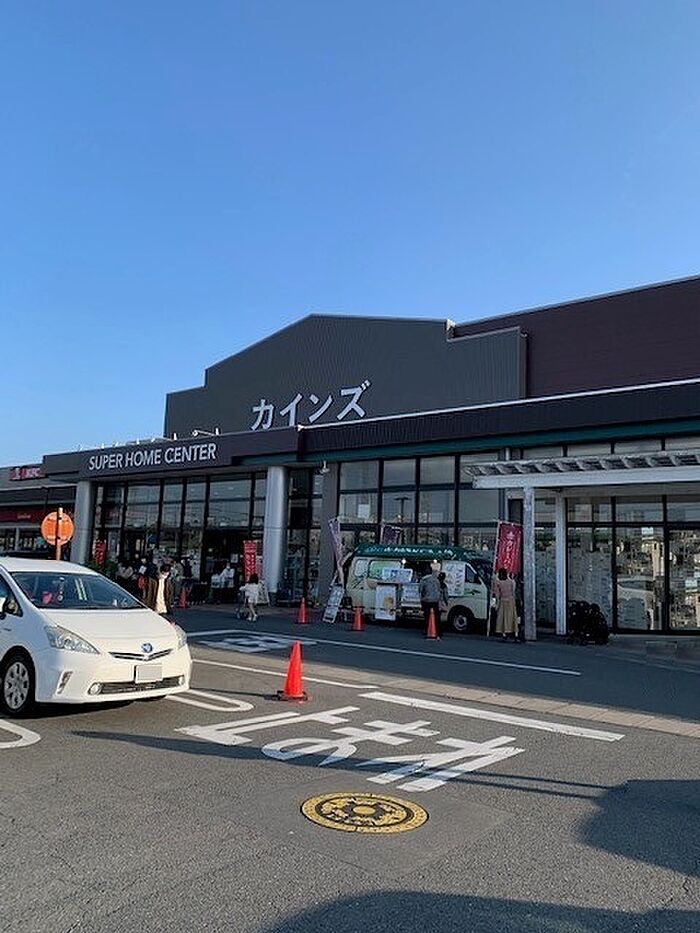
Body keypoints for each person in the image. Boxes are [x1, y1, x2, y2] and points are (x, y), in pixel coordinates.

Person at [493, 567, 518, 640]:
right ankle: (515, 633)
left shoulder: (498, 583)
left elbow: (497, 594)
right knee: (512, 617)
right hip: (511, 601)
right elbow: (513, 592)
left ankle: (504, 634)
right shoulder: (511, 582)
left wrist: (497, 603)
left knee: (503, 618)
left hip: (502, 601)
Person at [419, 564, 442, 638]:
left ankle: (427, 630)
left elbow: (420, 590)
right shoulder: (436, 579)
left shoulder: (424, 579)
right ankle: (438, 632)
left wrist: (422, 598)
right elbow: (439, 589)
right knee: (437, 617)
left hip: (427, 600)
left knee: (427, 616)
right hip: (435, 600)